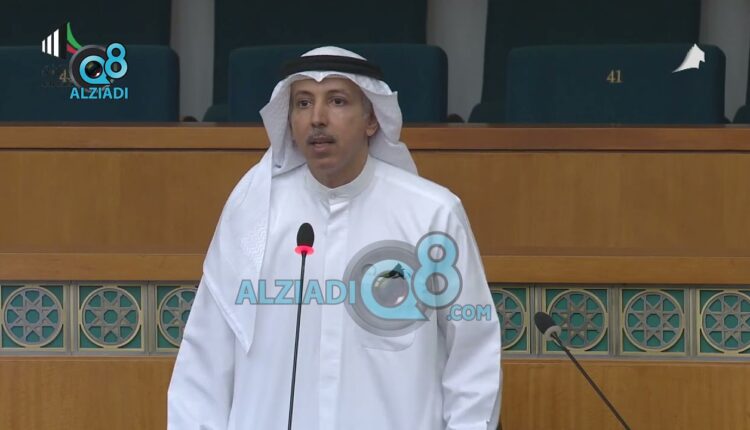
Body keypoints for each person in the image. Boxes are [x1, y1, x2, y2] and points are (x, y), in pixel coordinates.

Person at [168, 46, 502, 430]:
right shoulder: (252, 215)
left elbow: (473, 358)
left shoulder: (431, 215)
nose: (317, 118)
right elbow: (205, 360)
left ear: (372, 120)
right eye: (303, 103)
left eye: (337, 101)